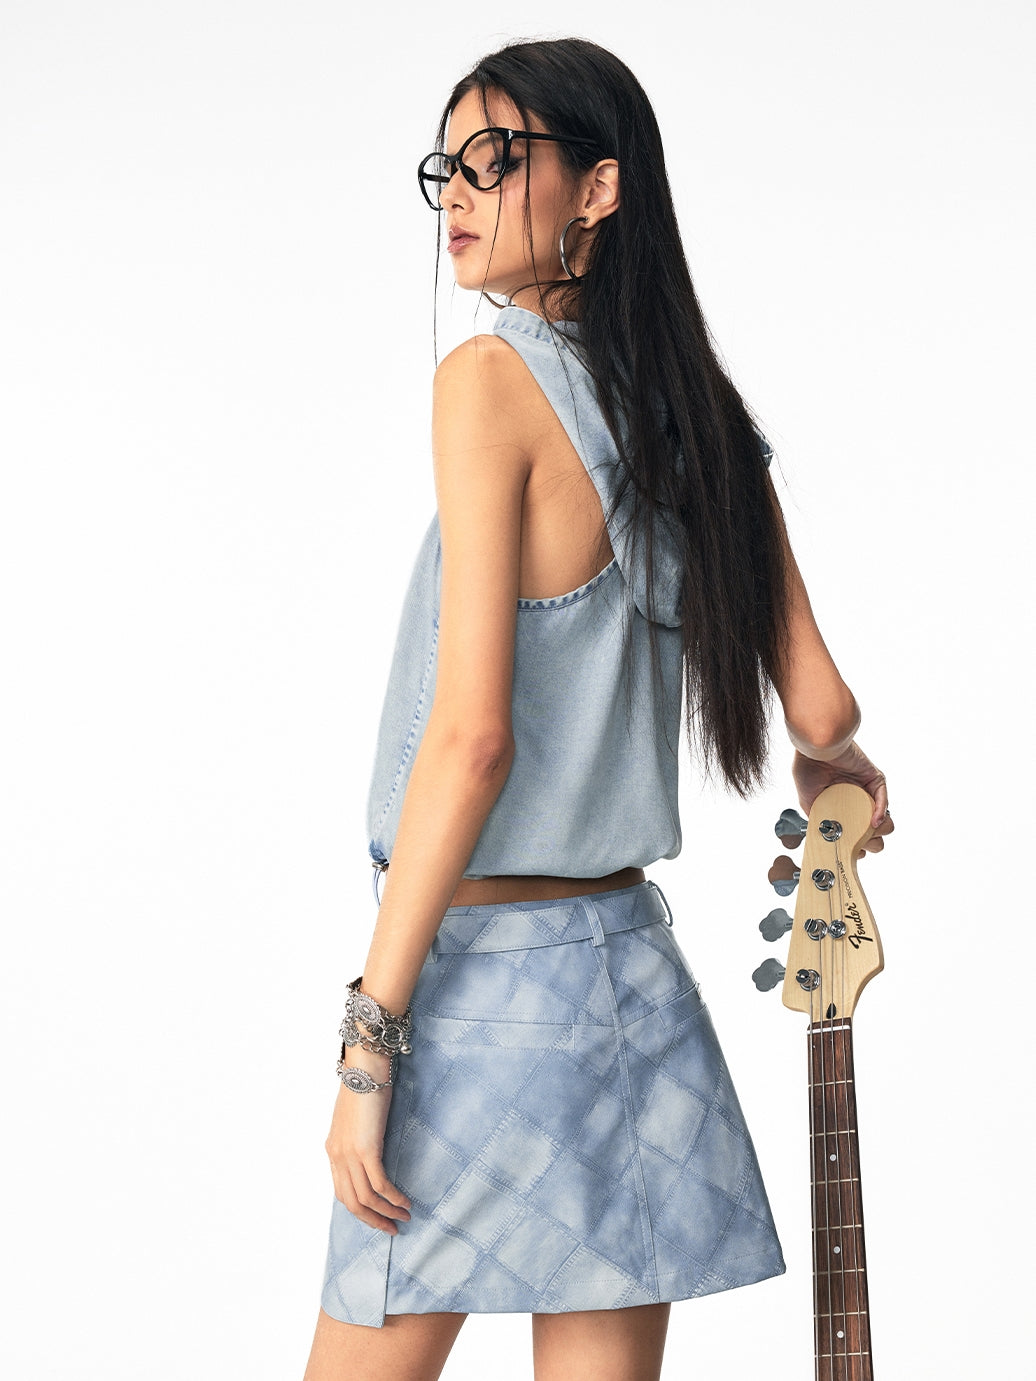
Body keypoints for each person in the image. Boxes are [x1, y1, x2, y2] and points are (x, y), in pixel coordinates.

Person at [303, 36, 892, 1381]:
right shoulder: (698, 416)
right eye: (445, 168)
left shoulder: (487, 379)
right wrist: (839, 772)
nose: (459, 192)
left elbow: (473, 739)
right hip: (631, 987)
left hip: (475, 993)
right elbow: (822, 707)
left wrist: (370, 1040)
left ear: (601, 188)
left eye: (496, 159)